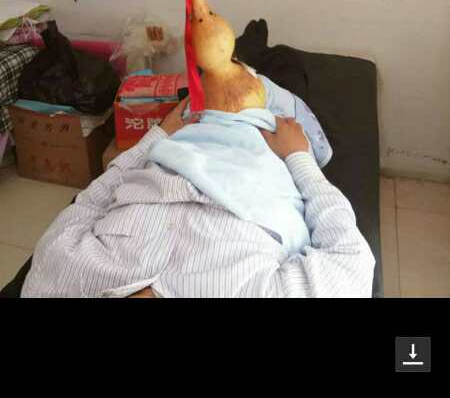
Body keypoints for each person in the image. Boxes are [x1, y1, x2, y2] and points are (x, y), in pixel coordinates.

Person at [21, 83, 375, 299]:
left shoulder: (60, 279)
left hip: (183, 141)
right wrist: (299, 157)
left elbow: (92, 199)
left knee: (221, 68)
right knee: (273, 76)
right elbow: (349, 255)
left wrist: (156, 136)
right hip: (263, 148)